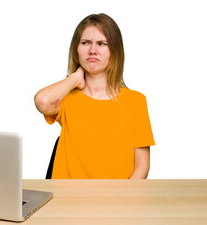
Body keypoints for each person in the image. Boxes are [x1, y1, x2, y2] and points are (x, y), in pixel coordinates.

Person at [34, 13, 155, 179]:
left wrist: (122, 201)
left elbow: (142, 166)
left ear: (114, 51)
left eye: (101, 44)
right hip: (68, 200)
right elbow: (43, 101)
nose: (92, 50)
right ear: (76, 49)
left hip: (117, 200)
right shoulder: (67, 98)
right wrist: (75, 78)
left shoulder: (136, 101)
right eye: (85, 43)